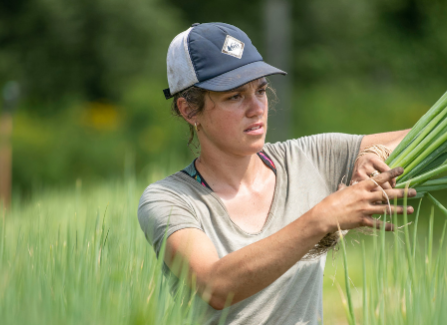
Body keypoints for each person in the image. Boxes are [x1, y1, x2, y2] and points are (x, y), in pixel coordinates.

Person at [137, 22, 415, 325]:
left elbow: (426, 137)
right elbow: (215, 285)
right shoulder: (168, 200)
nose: (257, 108)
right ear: (189, 110)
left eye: (260, 90)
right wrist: (322, 217)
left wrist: (375, 153)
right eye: (235, 96)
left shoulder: (309, 158)